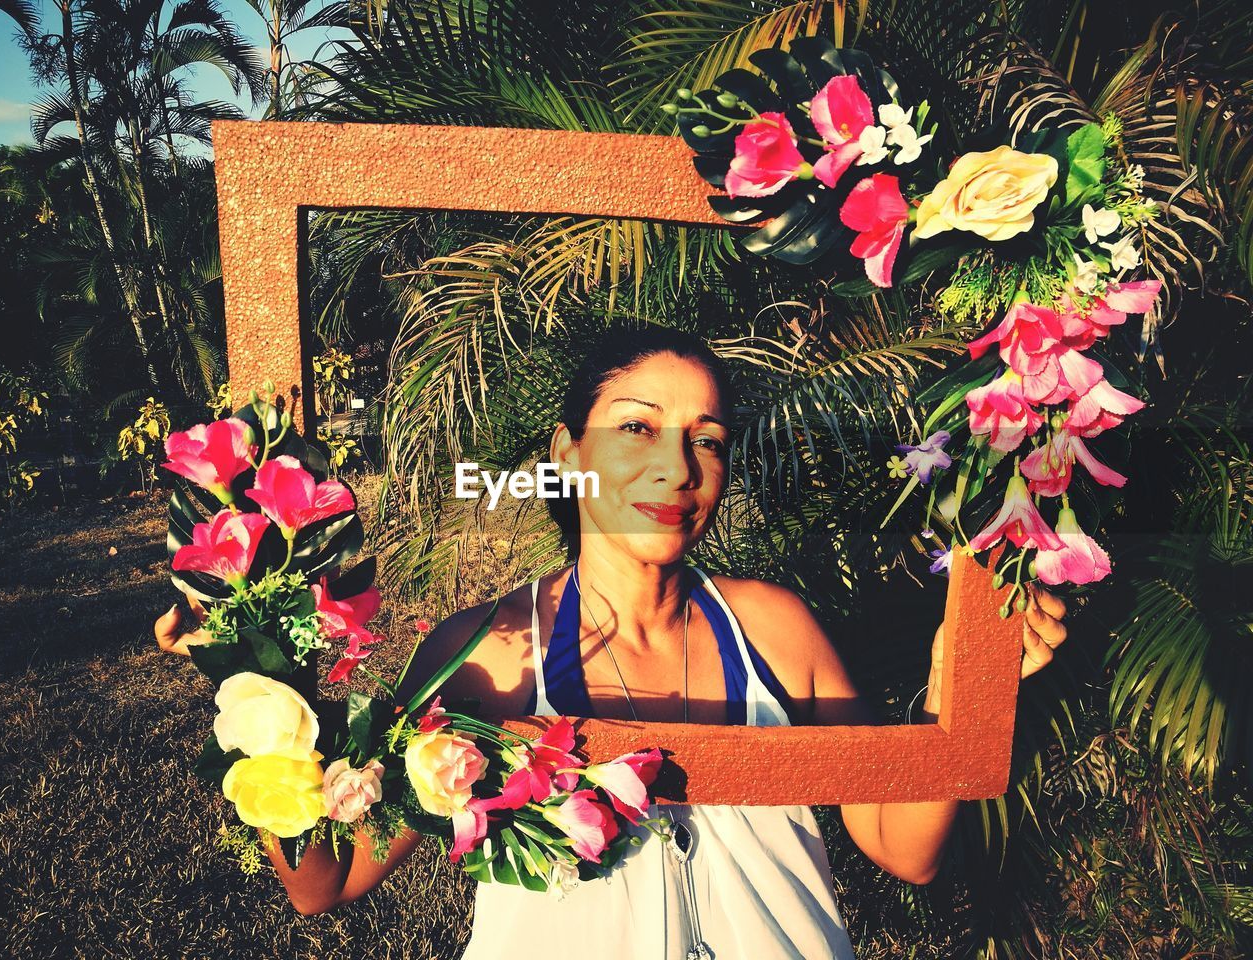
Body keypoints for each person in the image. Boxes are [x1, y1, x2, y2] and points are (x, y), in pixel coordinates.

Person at [156, 327, 1068, 959]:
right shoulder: (488, 654)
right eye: (636, 428)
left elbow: (903, 847)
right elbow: (328, 882)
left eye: (705, 440)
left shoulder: (775, 630)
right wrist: (255, 683)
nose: (677, 469)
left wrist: (962, 689)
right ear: (569, 451)